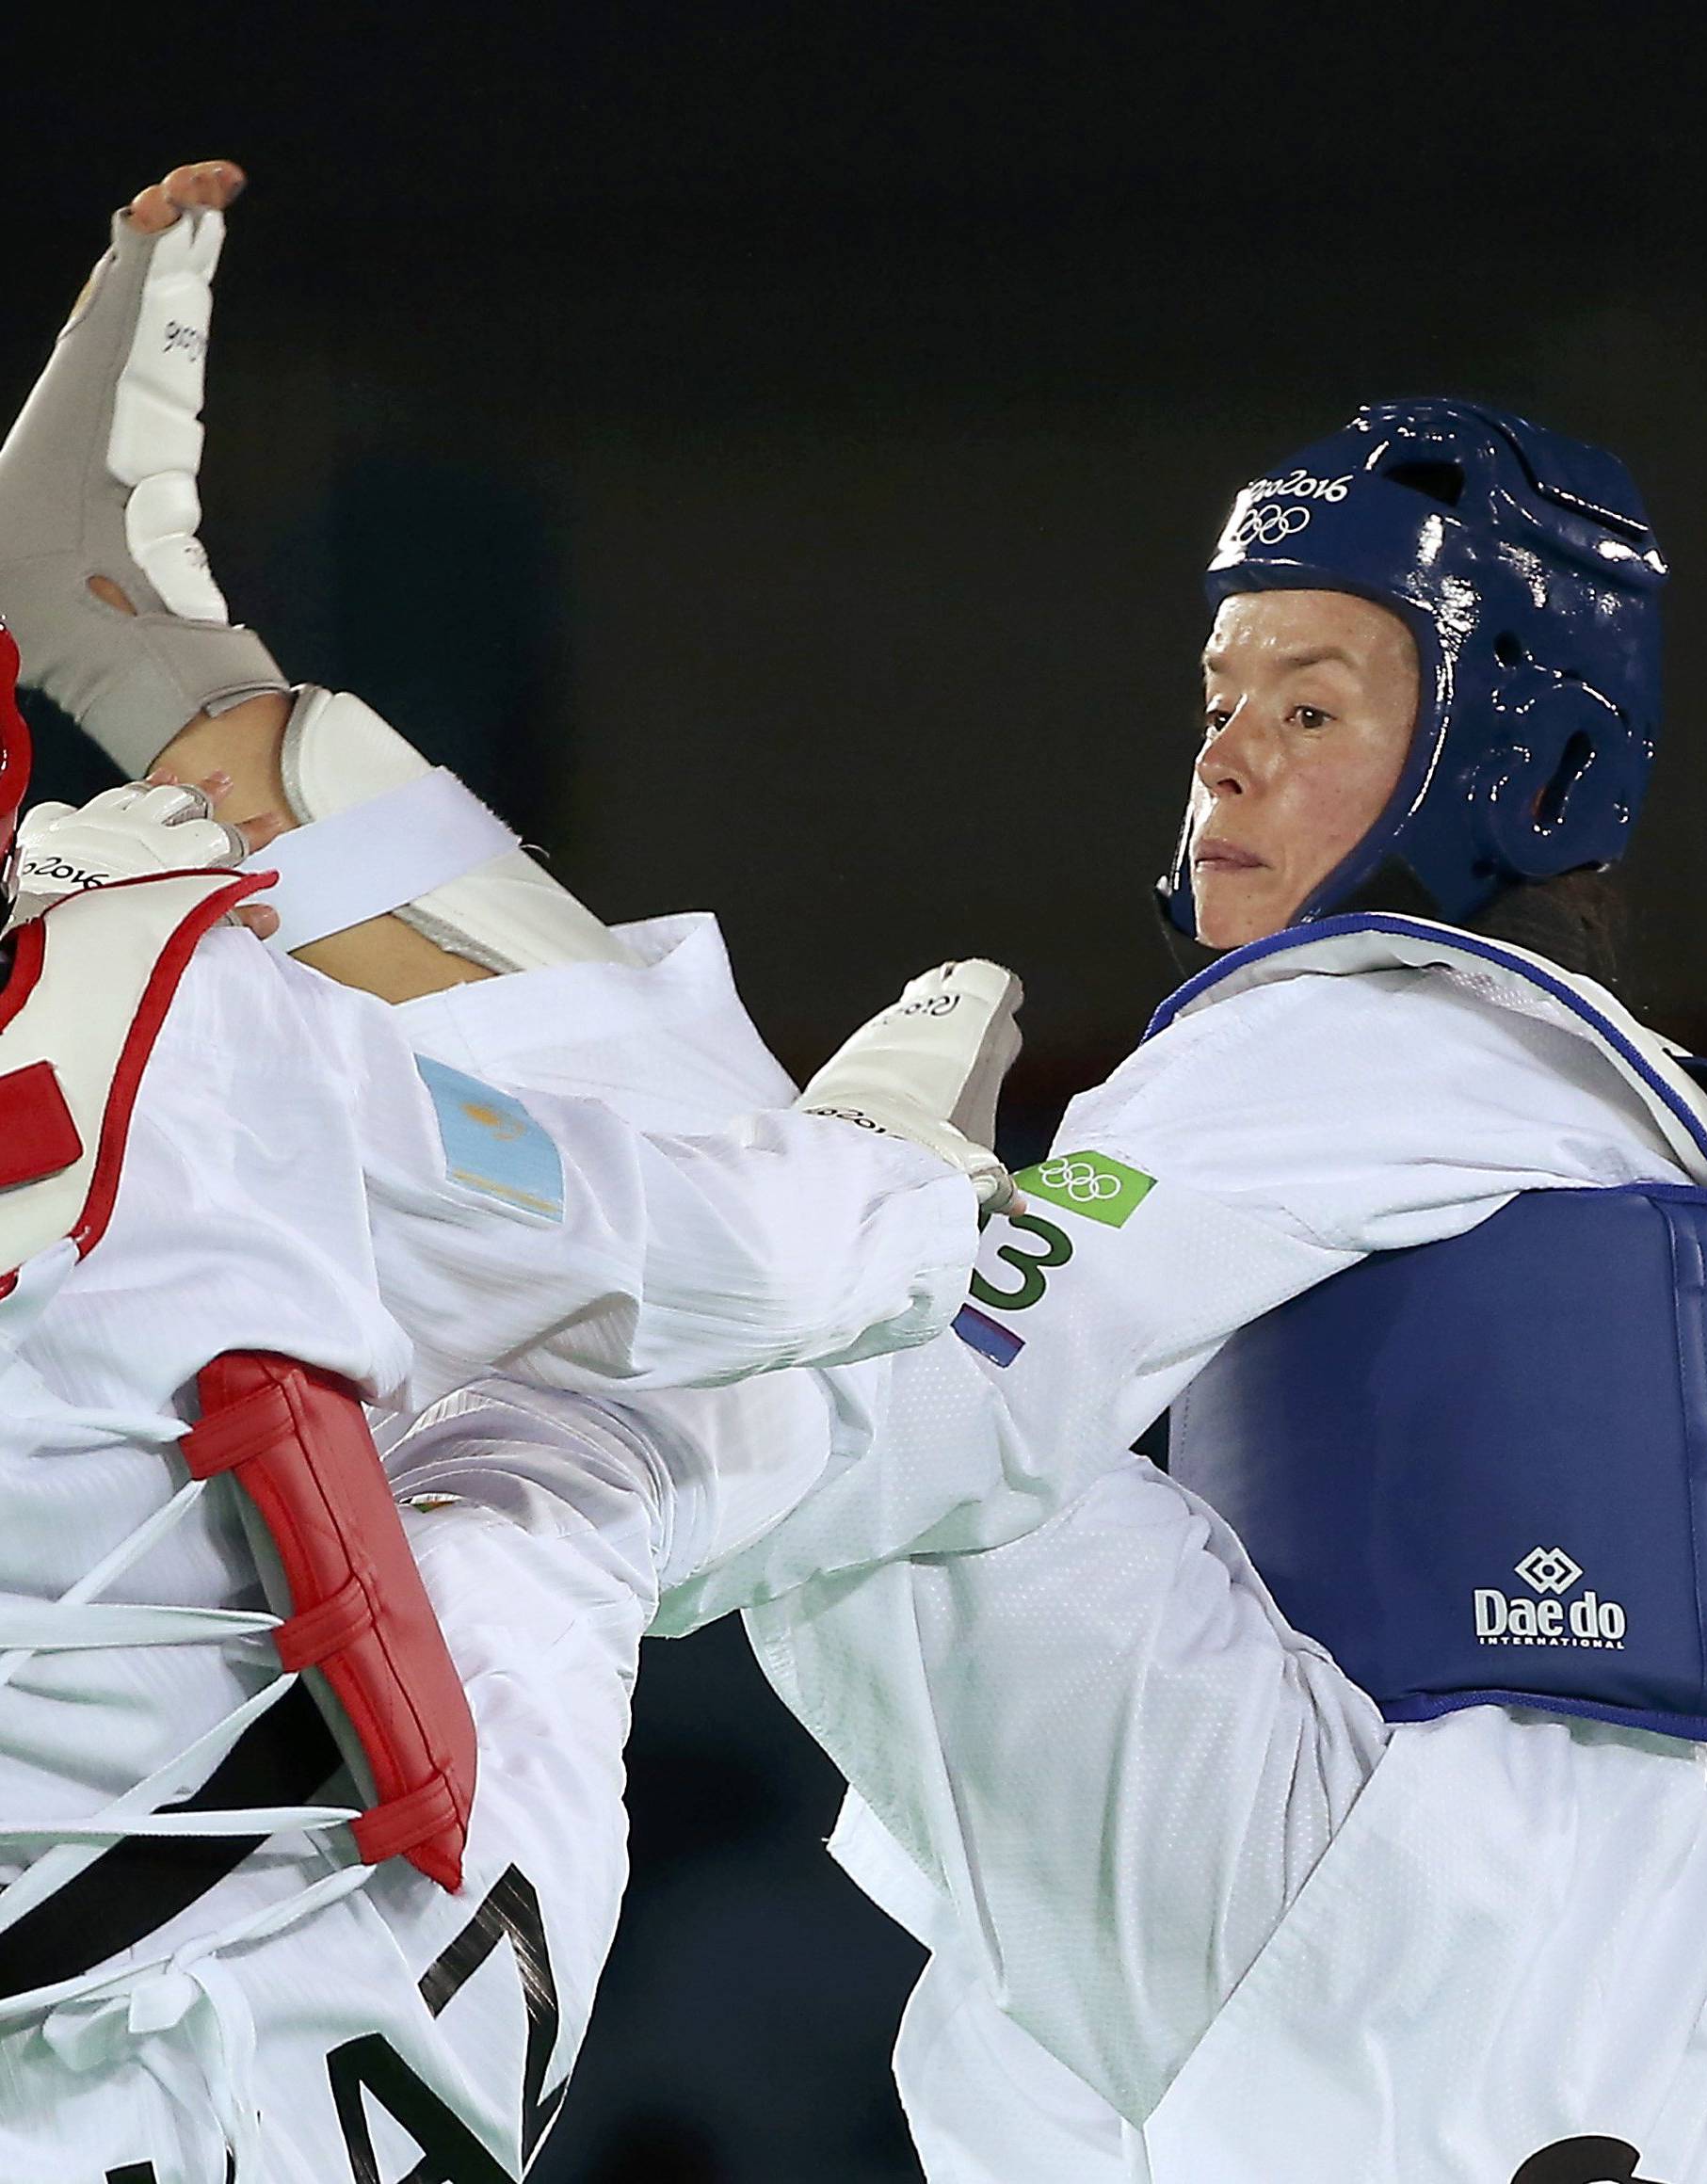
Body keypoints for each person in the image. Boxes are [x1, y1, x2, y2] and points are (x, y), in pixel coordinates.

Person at [0, 165, 1037, 2182]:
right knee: (614, 1416)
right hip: (261, 2007)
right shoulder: (172, 1049)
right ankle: (168, 679)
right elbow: (687, 1253)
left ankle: (168, 675)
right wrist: (901, 1190)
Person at [690, 403, 1707, 2183]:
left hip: (1391, 1924)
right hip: (1675, 1996)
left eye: (1310, 708)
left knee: (855, 1366)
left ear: (1516, 758)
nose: (1225, 761)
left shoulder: (1347, 1019)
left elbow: (945, 1390)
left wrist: (861, 1227)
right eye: (1219, 704)